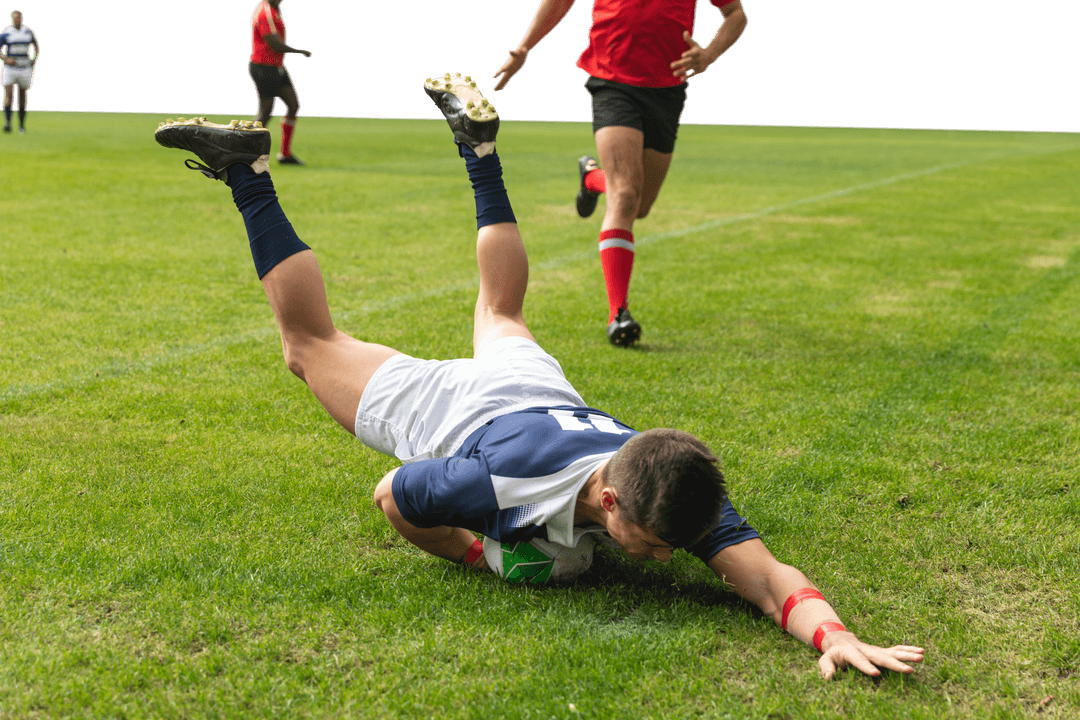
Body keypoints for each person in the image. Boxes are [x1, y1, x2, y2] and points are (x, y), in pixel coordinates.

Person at [153, 74, 924, 680]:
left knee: (501, 306)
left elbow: (765, 578)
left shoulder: (667, 483)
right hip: (462, 416)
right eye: (650, 546)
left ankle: (480, 150)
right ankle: (249, 170)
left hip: (548, 399)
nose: (658, 559)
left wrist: (836, 634)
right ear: (611, 499)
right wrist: (481, 554)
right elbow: (394, 497)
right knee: (310, 343)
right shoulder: (499, 491)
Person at [492, 0, 749, 346]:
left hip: (667, 90)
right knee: (626, 195)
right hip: (613, 82)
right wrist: (524, 47)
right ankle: (619, 314)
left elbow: (736, 13)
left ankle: (591, 178)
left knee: (638, 205)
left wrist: (709, 54)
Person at [248, 0, 312, 165]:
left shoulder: (274, 9)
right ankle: (245, 150)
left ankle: (285, 154)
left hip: (275, 66)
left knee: (293, 105)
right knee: (266, 112)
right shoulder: (266, 11)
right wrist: (298, 51)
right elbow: (273, 43)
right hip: (264, 67)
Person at [0, 9, 39, 134]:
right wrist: (5, 58)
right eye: (14, 18)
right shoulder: (6, 33)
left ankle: (21, 126)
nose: (16, 20)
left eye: (19, 18)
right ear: (11, 19)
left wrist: (34, 59)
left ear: (21, 19)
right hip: (10, 68)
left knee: (22, 97)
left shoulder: (28, 31)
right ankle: (7, 123)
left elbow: (36, 46)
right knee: (9, 96)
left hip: (24, 68)